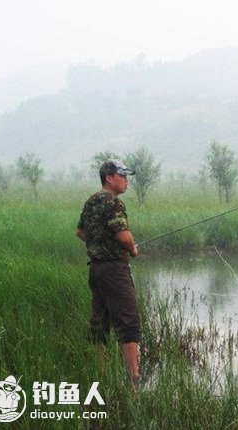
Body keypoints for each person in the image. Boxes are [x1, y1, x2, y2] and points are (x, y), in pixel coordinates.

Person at [76, 160, 140, 387]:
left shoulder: (91, 201)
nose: (126, 181)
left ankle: (99, 376)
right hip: (115, 270)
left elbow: (81, 232)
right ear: (109, 178)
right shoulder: (114, 203)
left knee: (100, 322)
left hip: (96, 270)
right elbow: (123, 236)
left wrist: (99, 244)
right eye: (122, 176)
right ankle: (134, 380)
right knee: (129, 322)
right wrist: (132, 249)